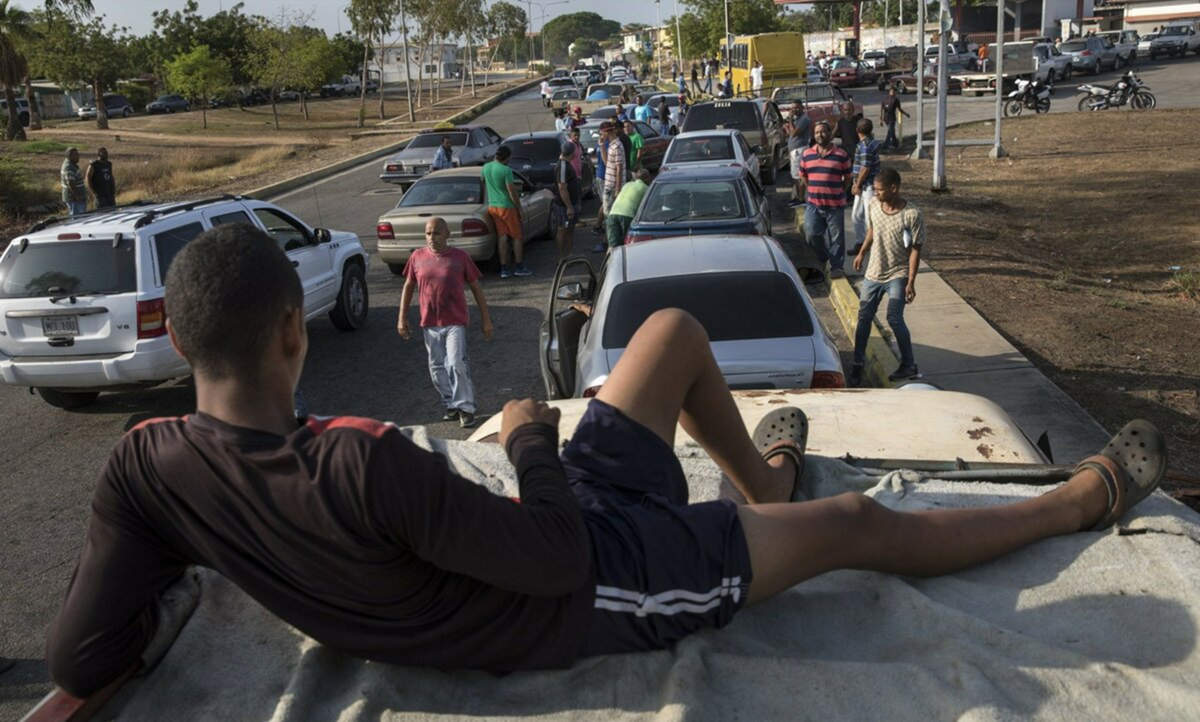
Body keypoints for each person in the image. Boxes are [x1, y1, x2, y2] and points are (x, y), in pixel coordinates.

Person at [45, 220, 1168, 700]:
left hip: (541, 524)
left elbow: (83, 647)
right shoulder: (359, 460)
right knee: (859, 526)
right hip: (591, 579)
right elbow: (551, 551)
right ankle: (1075, 501)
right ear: (295, 332)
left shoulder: (145, 470)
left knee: (672, 333)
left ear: (180, 343)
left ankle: (762, 484)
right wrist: (532, 430)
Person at [398, 218, 493, 428]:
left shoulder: (460, 257)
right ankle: (451, 403)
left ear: (447, 234)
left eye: (436, 232)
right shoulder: (417, 257)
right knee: (437, 367)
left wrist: (486, 319)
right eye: (428, 233)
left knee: (456, 363)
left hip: (455, 322)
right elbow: (408, 286)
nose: (432, 237)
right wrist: (402, 317)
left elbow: (476, 288)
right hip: (430, 323)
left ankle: (466, 408)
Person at [850, 167, 923, 385]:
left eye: (880, 190)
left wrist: (910, 281)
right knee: (864, 318)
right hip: (874, 272)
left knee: (894, 317)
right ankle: (857, 364)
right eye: (875, 189)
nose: (876, 193)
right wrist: (862, 252)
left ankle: (908, 364)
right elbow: (872, 230)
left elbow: (916, 250)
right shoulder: (873, 205)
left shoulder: (912, 214)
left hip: (897, 274)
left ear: (894, 188)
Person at [798, 121, 852, 282]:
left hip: (835, 205)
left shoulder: (841, 155)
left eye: (823, 132)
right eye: (817, 132)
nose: (820, 135)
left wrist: (838, 190)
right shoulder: (807, 154)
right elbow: (802, 175)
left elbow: (848, 177)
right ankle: (823, 258)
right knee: (811, 234)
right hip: (813, 204)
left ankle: (836, 266)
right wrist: (813, 189)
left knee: (837, 238)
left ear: (830, 134)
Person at [482, 146, 530, 278]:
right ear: (507, 157)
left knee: (502, 236)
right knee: (516, 236)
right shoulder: (506, 170)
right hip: (507, 206)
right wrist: (518, 207)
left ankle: (504, 268)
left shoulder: (486, 167)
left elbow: (483, 182)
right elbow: (512, 191)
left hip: (493, 205)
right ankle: (519, 266)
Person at [850, 118, 881, 255]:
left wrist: (857, 184)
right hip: (864, 185)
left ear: (857, 131)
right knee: (856, 215)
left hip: (867, 186)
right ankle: (861, 242)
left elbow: (865, 168)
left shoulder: (865, 146)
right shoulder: (871, 142)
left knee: (870, 217)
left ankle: (874, 245)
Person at [605, 169, 650, 249]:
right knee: (627, 245)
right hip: (628, 215)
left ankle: (610, 259)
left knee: (612, 245)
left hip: (613, 213)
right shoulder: (646, 188)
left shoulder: (627, 184)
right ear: (647, 179)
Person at [598, 121, 626, 250]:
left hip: (613, 186)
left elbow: (619, 169)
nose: (601, 135)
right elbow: (607, 162)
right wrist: (602, 147)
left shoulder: (617, 146)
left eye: (601, 133)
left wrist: (618, 189)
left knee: (610, 216)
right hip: (609, 184)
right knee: (607, 214)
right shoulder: (611, 145)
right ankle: (609, 241)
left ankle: (611, 243)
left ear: (606, 132)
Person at [552, 142, 582, 258]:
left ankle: (570, 255)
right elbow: (562, 187)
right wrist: (569, 207)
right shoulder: (563, 166)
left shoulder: (566, 164)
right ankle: (562, 257)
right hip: (563, 206)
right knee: (563, 229)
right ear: (572, 153)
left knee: (570, 229)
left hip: (570, 204)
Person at [784, 101, 813, 209]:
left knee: (800, 175)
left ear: (802, 107)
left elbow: (794, 132)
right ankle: (798, 197)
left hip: (800, 150)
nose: (794, 110)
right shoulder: (797, 119)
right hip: (794, 150)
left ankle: (801, 199)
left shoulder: (804, 119)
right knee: (795, 176)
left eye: (796, 108)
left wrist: (790, 119)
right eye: (792, 108)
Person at [880, 86, 909, 152]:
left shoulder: (895, 100)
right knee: (890, 131)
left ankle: (895, 144)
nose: (894, 93)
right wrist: (881, 119)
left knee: (891, 131)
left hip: (890, 118)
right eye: (893, 91)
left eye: (894, 92)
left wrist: (906, 114)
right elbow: (882, 109)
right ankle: (885, 146)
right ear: (890, 92)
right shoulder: (886, 99)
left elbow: (899, 109)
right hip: (887, 118)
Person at [60, 147, 87, 216]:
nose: (78, 156)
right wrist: (77, 196)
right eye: (76, 155)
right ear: (70, 156)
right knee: (77, 219)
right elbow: (71, 183)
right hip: (74, 199)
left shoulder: (72, 165)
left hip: (77, 198)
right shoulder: (69, 167)